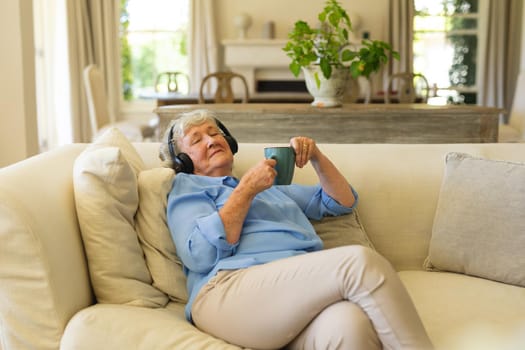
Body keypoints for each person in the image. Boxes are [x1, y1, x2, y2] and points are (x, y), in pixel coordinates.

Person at [159, 109, 433, 350]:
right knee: (359, 262)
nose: (211, 140)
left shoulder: (272, 189)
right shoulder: (187, 188)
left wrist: (316, 157)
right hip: (226, 292)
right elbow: (199, 255)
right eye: (197, 139)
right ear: (183, 161)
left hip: (289, 295)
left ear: (229, 142)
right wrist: (246, 190)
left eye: (215, 133)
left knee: (350, 324)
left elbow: (342, 202)